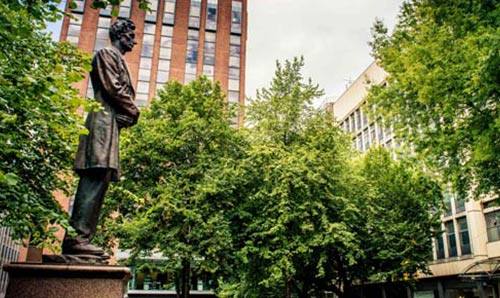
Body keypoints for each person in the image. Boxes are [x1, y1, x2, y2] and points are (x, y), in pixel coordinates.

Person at [62, 19, 140, 256]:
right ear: (120, 35)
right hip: (102, 123)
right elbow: (113, 88)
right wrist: (133, 110)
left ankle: (82, 237)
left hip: (111, 124)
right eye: (130, 36)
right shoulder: (106, 54)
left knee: (103, 176)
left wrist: (127, 116)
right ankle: (77, 237)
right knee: (96, 173)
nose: (134, 41)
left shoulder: (118, 59)